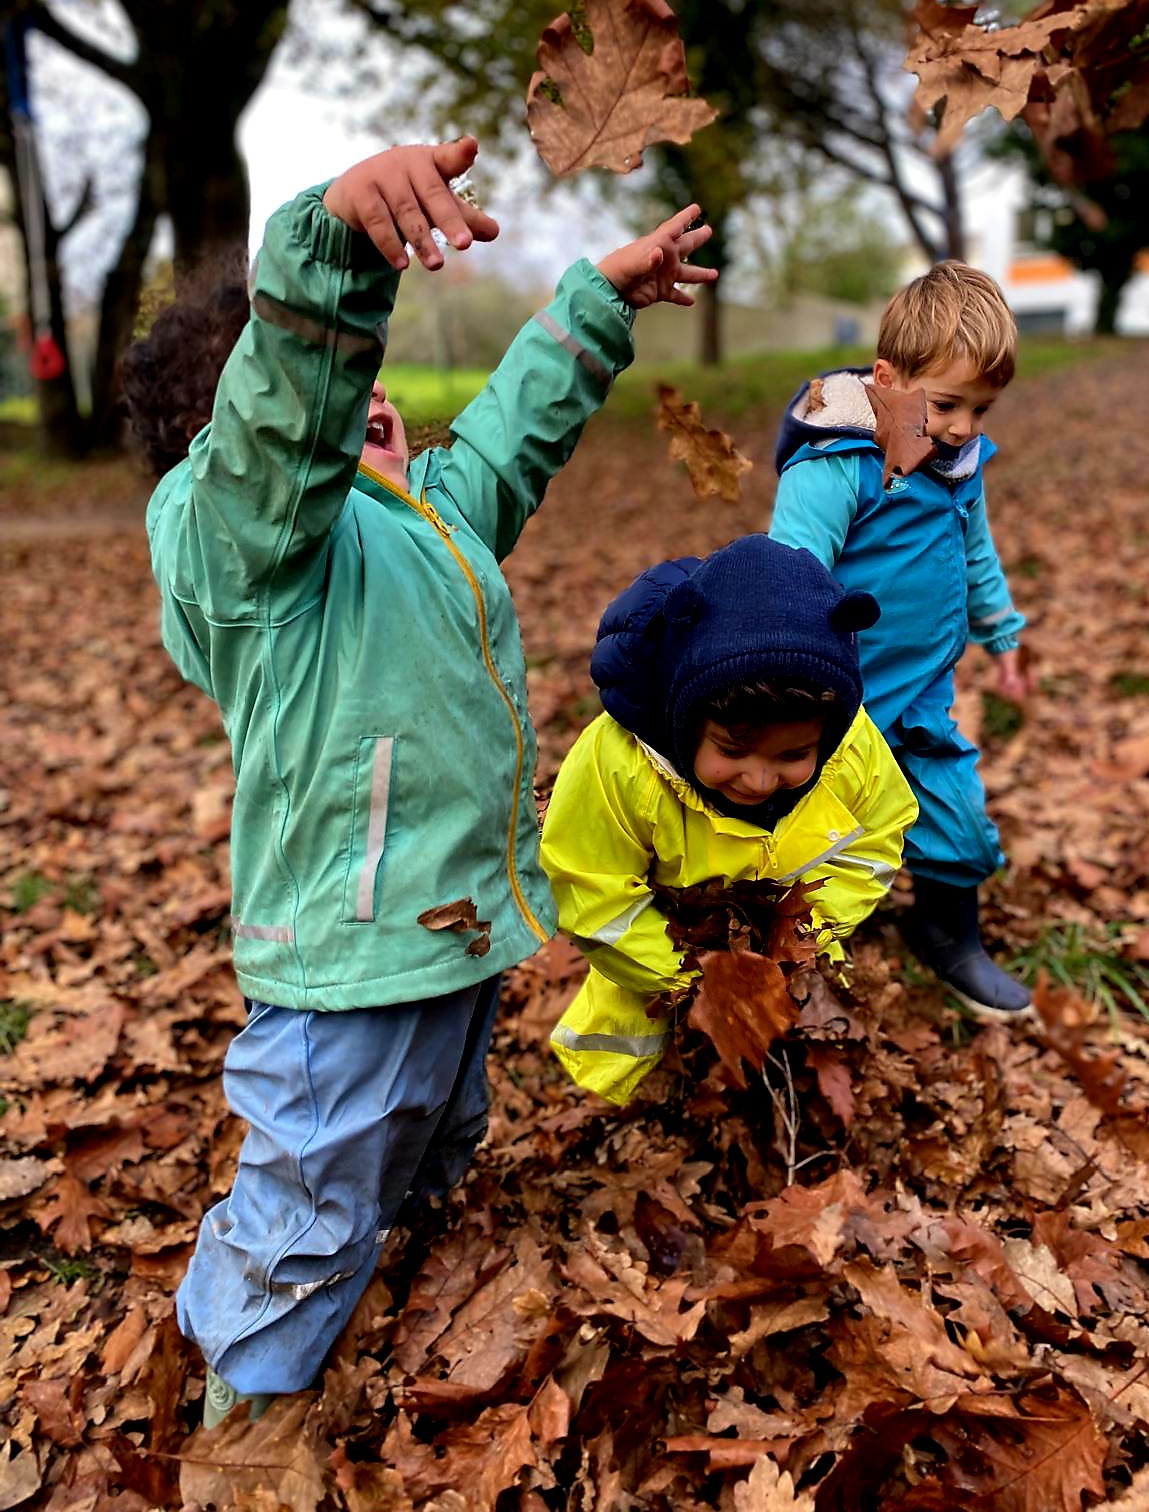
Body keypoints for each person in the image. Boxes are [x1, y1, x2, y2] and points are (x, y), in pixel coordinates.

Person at [128, 136, 717, 1425]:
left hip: (446, 925)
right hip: (348, 947)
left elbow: (506, 438)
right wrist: (336, 254)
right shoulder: (251, 551)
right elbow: (279, 424)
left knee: (432, 1127)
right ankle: (248, 1398)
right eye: (346, 384)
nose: (370, 396)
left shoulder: (428, 514)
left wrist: (594, 305)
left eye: (376, 380)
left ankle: (420, 1242)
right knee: (315, 1181)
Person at [540, 534, 918, 1106]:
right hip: (657, 968)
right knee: (644, 1076)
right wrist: (698, 983)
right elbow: (590, 889)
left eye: (793, 756)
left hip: (798, 962)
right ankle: (641, 1108)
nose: (759, 780)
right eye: (733, 750)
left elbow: (876, 840)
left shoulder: (851, 750)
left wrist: (807, 942)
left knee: (800, 1068)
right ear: (687, 718)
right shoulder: (619, 765)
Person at [769, 260, 1032, 1018]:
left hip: (922, 692)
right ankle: (792, 951)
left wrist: (1003, 634)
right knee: (816, 840)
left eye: (982, 410)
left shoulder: (959, 465)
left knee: (957, 814)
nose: (964, 428)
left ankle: (950, 935)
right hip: (838, 701)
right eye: (948, 404)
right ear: (886, 378)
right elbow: (794, 570)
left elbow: (974, 551)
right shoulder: (839, 464)